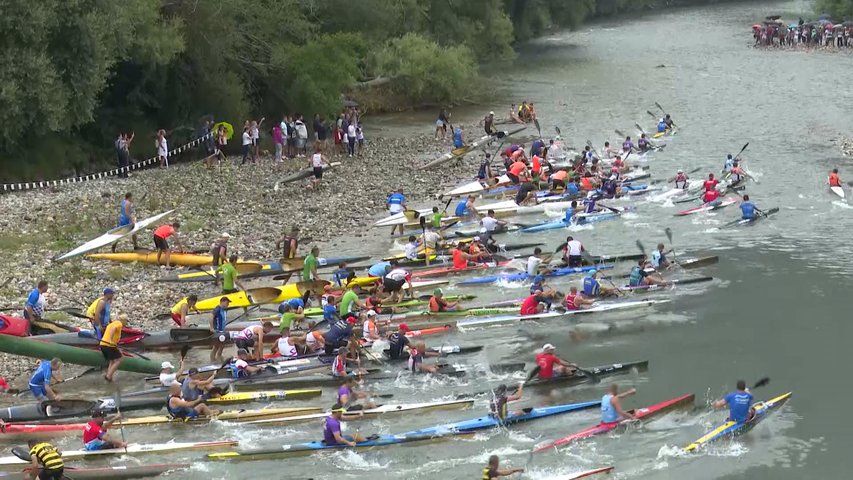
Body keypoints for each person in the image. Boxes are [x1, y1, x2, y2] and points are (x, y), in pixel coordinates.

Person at [100, 314, 126, 382]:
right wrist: (110, 340)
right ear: (123, 320)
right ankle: (108, 376)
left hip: (103, 344)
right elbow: (113, 329)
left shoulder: (111, 324)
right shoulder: (119, 323)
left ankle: (109, 376)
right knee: (119, 359)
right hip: (108, 345)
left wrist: (117, 348)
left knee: (112, 360)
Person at [209, 297, 230, 362]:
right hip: (217, 331)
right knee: (216, 346)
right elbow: (210, 316)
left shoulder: (225, 310)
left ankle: (219, 357)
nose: (228, 304)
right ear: (222, 302)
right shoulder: (217, 309)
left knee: (222, 345)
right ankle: (212, 359)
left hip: (222, 330)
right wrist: (212, 328)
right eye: (227, 303)